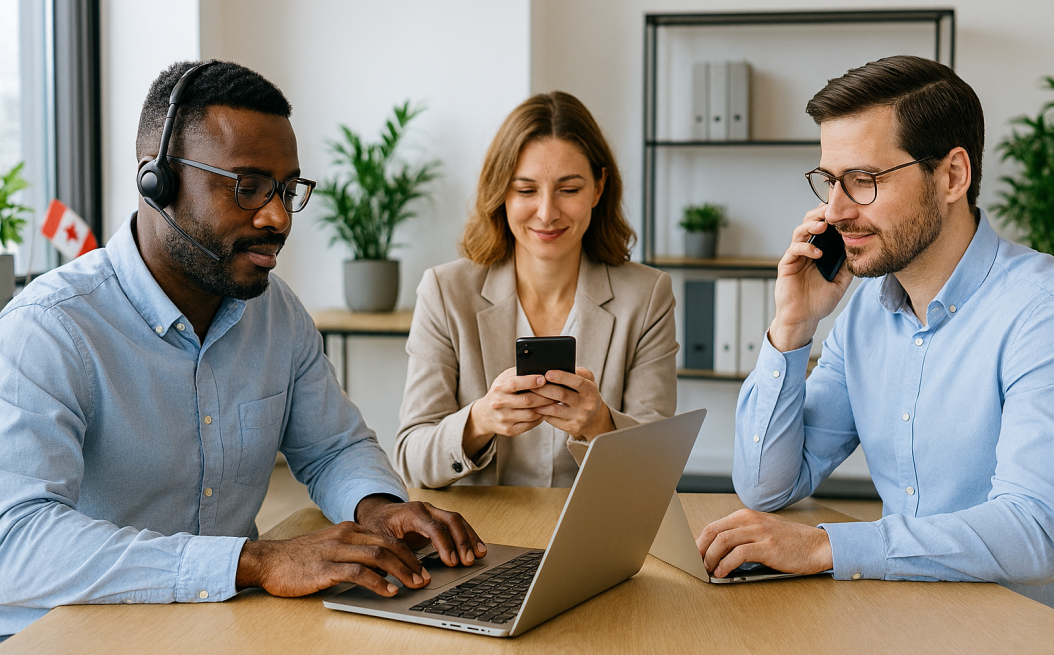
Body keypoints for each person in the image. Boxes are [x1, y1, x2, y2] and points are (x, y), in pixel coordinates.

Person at [0, 60, 486, 641]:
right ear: (157, 181)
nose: (278, 216)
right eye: (247, 187)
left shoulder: (276, 313)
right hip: (72, 639)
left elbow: (333, 447)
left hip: (223, 626)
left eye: (286, 190)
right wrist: (251, 561)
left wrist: (377, 507)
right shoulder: (49, 329)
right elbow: (17, 542)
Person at [695, 55, 1054, 606]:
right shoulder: (865, 311)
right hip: (900, 614)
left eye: (863, 181)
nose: (836, 211)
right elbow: (768, 486)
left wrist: (825, 547)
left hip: (1016, 634)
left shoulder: (1039, 309)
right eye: (829, 181)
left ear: (952, 175)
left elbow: (1034, 532)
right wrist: (792, 326)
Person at [395, 92, 677, 488]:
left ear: (598, 188)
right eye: (526, 190)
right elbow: (411, 458)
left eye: (569, 189)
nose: (546, 212)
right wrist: (480, 420)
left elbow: (658, 467)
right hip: (480, 537)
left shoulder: (647, 296)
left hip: (593, 530)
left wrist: (598, 423)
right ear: (501, 193)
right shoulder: (445, 291)